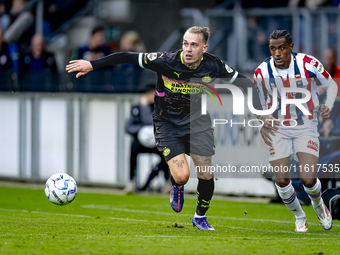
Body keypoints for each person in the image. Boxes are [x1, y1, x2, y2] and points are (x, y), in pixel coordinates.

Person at [66, 26, 270, 230]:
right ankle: (177, 184)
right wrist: (92, 64)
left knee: (206, 173)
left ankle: (200, 216)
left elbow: (244, 83)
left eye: (194, 45)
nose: (188, 49)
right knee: (182, 175)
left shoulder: (213, 65)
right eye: (185, 44)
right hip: (167, 123)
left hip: (197, 122)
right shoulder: (166, 61)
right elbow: (128, 56)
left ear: (204, 48)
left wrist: (261, 112)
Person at [254, 30, 338, 232]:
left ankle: (320, 207)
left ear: (291, 47)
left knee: (308, 178)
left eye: (282, 48)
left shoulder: (309, 64)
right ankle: (300, 216)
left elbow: (331, 85)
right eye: (273, 48)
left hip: (305, 125)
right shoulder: (262, 72)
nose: (277, 53)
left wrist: (328, 105)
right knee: (282, 180)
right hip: (278, 127)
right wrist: (264, 118)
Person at [125, 83, 170, 194]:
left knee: (166, 152)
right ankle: (131, 182)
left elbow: (152, 122)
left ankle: (166, 182)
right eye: (147, 94)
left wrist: (144, 108)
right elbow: (128, 127)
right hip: (140, 142)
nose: (149, 96)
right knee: (133, 150)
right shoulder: (136, 108)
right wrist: (140, 130)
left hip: (157, 142)